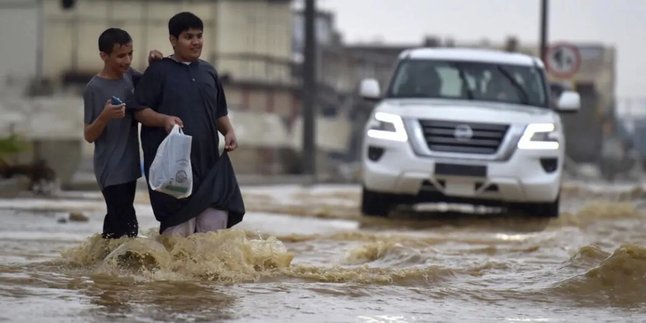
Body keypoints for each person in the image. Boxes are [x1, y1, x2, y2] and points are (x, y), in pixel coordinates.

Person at [134, 12, 245, 237]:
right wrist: (163, 120)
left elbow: (218, 112)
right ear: (173, 40)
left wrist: (229, 131)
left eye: (199, 36)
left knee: (213, 242)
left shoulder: (209, 72)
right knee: (177, 244)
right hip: (174, 171)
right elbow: (138, 111)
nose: (196, 42)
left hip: (209, 169)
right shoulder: (158, 71)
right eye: (188, 37)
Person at [83, 28, 162, 239]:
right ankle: (122, 268)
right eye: (120, 56)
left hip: (130, 167)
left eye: (130, 54)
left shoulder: (129, 76)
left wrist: (154, 64)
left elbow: (150, 83)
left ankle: (98, 268)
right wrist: (105, 116)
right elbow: (89, 135)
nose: (127, 60)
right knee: (128, 227)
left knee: (115, 225)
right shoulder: (94, 88)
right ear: (104, 56)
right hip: (110, 169)